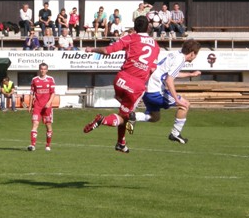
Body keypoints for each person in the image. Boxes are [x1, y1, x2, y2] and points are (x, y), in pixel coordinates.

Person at [83, 16, 160, 153]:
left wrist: (92, 49)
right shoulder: (156, 46)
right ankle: (103, 120)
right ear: (148, 27)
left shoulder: (130, 38)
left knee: (124, 114)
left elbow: (107, 50)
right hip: (136, 86)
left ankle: (121, 143)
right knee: (124, 117)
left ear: (135, 27)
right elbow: (153, 69)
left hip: (120, 80)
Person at [128, 39, 201, 144]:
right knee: (185, 105)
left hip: (147, 90)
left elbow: (169, 73)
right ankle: (175, 134)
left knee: (155, 117)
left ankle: (134, 116)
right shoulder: (180, 60)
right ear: (192, 53)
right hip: (156, 92)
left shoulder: (175, 54)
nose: (195, 57)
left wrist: (191, 74)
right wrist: (176, 99)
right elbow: (169, 80)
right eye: (196, 54)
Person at [28, 62, 56, 151]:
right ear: (39, 69)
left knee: (48, 125)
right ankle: (32, 145)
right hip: (37, 106)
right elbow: (31, 93)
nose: (43, 71)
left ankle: (48, 145)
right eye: (41, 69)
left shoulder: (50, 79)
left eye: (44, 69)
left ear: (47, 70)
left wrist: (49, 103)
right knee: (35, 124)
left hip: (47, 107)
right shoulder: (34, 80)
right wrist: (30, 105)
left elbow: (53, 93)